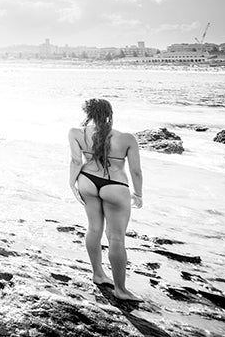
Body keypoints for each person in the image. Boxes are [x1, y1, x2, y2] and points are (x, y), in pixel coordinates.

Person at [68, 98, 143, 301]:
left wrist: (71, 183)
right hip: (115, 187)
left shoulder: (76, 133)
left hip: (87, 181)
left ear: (89, 114)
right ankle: (121, 290)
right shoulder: (127, 139)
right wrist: (138, 194)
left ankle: (98, 274)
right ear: (110, 114)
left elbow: (76, 161)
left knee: (93, 229)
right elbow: (135, 171)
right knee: (116, 238)